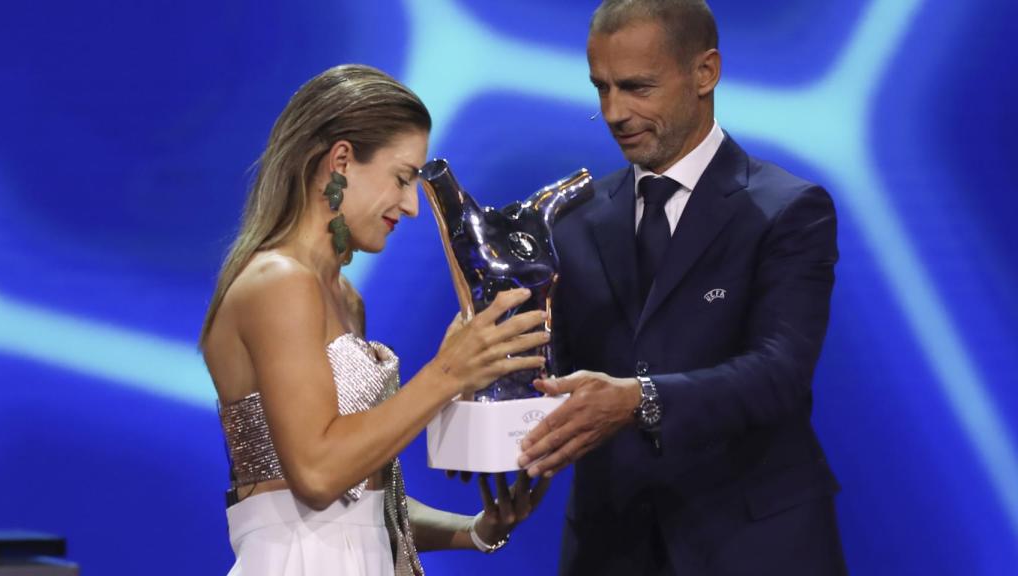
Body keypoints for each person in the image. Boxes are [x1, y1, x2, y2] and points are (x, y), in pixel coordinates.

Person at [517, 1, 847, 574]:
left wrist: (637, 399)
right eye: (602, 88)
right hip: (610, 548)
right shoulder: (573, 219)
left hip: (752, 544)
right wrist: (489, 358)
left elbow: (779, 373)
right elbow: (553, 372)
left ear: (705, 73)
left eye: (637, 88)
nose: (615, 112)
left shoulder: (786, 210)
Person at [200, 64, 550, 576]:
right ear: (341, 161)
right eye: (403, 178)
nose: (411, 207)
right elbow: (318, 476)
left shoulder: (343, 297)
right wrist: (448, 372)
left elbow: (360, 508)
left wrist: (474, 531)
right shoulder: (278, 282)